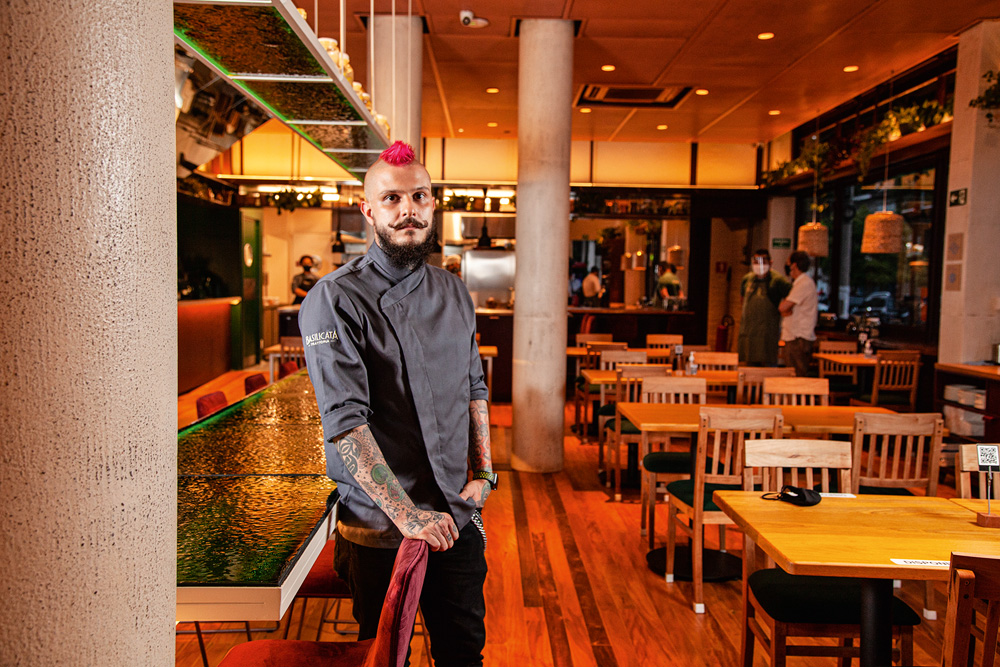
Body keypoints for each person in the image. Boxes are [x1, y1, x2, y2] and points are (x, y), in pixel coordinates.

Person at [299, 140, 492, 666]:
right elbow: (345, 422)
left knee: (464, 654)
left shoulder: (454, 293)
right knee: (387, 658)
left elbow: (475, 387)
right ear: (367, 210)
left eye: (420, 197)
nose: (408, 210)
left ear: (433, 203)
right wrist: (408, 517)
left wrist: (485, 474)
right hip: (382, 530)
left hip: (456, 514)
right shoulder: (334, 299)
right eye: (392, 199)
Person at [737, 249, 790, 367]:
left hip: (768, 335)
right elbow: (742, 300)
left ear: (770, 263)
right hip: (748, 333)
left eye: (763, 261)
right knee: (747, 370)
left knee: (768, 370)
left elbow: (792, 300)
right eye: (756, 262)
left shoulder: (777, 280)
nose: (759, 265)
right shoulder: (747, 279)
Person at [780, 250, 819, 376]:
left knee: (796, 374)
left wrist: (785, 308)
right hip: (796, 335)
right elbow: (785, 309)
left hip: (798, 337)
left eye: (788, 263)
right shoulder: (802, 283)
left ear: (794, 265)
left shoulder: (804, 283)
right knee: (794, 373)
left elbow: (783, 307)